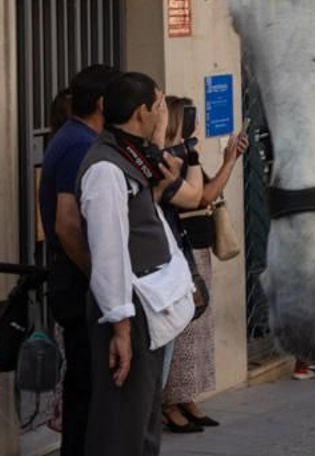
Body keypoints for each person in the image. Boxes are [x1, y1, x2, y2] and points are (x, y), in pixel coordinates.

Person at [79, 71, 194, 456]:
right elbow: (108, 251)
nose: (163, 113)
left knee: (142, 421)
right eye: (158, 106)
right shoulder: (106, 168)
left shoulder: (128, 154)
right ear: (142, 111)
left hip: (144, 304)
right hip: (128, 311)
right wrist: (121, 328)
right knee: (122, 427)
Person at [154, 96, 249, 434]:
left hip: (197, 251)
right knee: (183, 331)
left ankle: (186, 398)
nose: (195, 126)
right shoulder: (167, 161)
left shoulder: (186, 155)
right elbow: (202, 196)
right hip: (181, 255)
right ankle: (170, 403)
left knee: (198, 331)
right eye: (189, 119)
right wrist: (229, 162)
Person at [39, 63, 118, 456]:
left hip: (79, 278)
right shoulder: (78, 145)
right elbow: (67, 225)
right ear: (104, 103)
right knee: (87, 385)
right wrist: (100, 275)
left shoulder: (77, 138)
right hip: (77, 281)